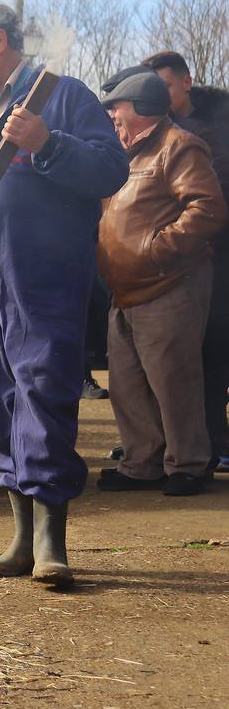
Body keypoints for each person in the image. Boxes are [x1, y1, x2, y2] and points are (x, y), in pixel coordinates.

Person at [0, 0, 128, 586]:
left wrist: (47, 143)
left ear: (0, 42)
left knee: (44, 393)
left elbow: (111, 170)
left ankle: (50, 542)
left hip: (44, 279)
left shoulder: (59, 96)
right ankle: (19, 538)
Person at [94, 69, 225, 497]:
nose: (111, 115)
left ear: (145, 107)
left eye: (118, 107)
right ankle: (141, 462)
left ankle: (188, 463)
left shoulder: (179, 146)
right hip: (125, 288)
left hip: (169, 284)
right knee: (128, 384)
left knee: (174, 380)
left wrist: (155, 249)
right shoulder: (120, 153)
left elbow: (206, 207)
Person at [143, 50, 229, 472]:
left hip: (217, 253)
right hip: (169, 259)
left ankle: (214, 440)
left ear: (187, 83)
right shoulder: (150, 132)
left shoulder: (220, 127)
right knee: (172, 357)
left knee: (213, 349)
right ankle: (167, 445)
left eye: (166, 87)